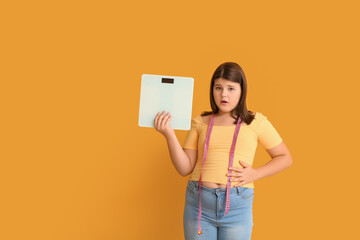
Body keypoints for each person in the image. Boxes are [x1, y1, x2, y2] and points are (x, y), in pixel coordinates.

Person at [154, 62, 292, 240]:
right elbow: (184, 168)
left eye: (231, 88)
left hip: (237, 207)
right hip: (199, 205)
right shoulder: (200, 122)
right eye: (218, 87)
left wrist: (255, 173)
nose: (223, 94)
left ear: (242, 91)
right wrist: (169, 134)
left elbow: (285, 157)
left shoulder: (256, 121)